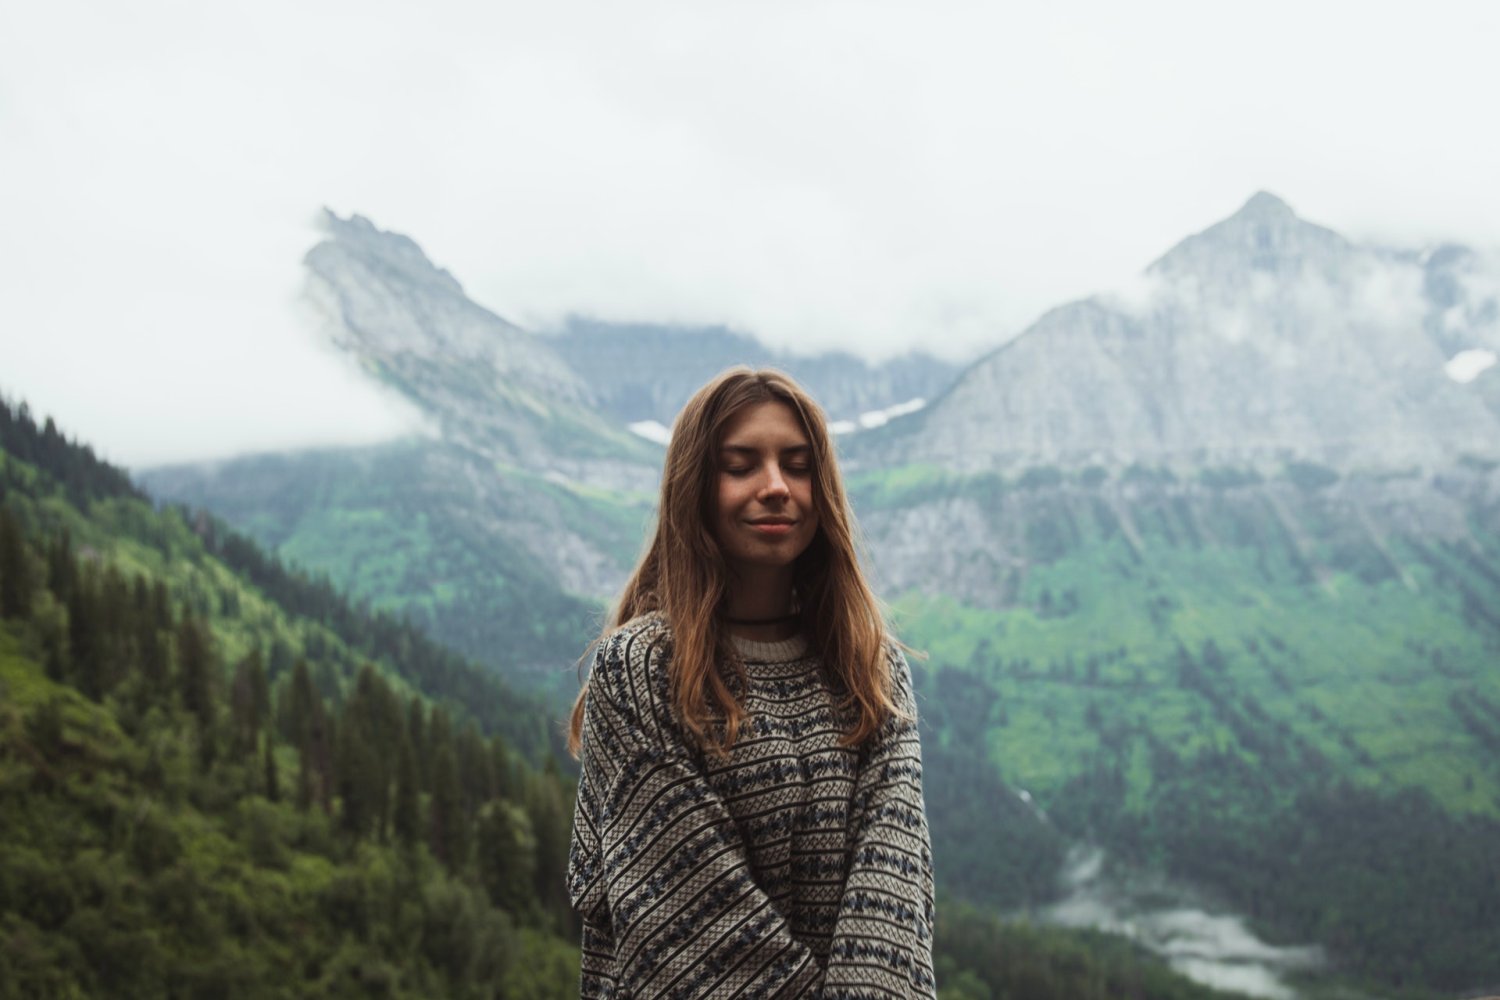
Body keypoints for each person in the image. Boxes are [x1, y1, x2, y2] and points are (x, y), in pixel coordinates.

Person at [566, 368, 936, 998]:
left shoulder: (869, 668)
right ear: (696, 488)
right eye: (741, 465)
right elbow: (690, 920)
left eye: (797, 466)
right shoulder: (638, 672)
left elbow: (893, 890)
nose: (775, 488)